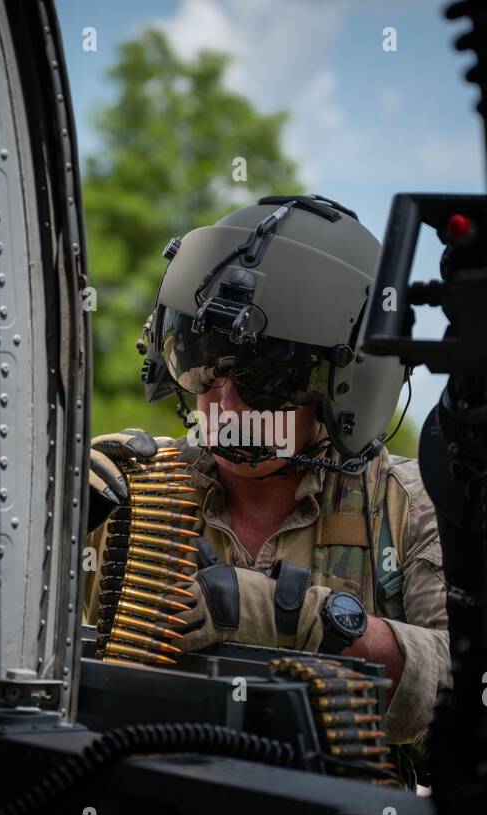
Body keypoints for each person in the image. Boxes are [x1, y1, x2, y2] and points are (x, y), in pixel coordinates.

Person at [84, 195, 451, 765]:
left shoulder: (408, 507)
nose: (224, 404)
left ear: (343, 389)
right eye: (203, 367)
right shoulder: (133, 492)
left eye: (259, 379)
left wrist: (289, 616)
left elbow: (473, 696)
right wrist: (52, 527)